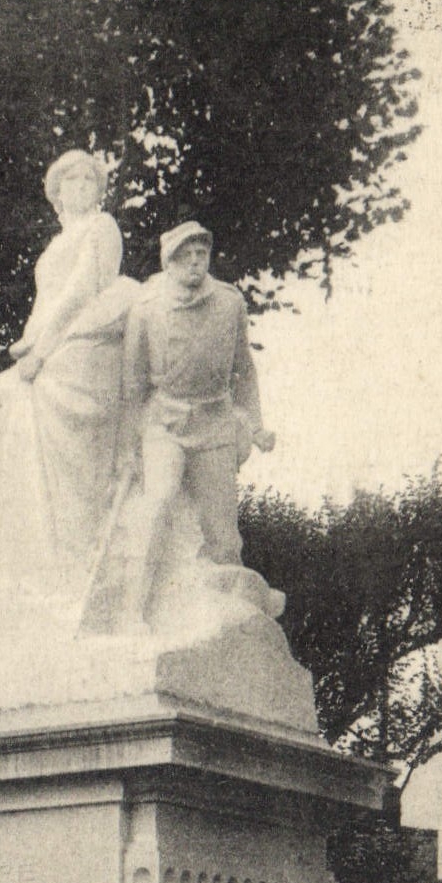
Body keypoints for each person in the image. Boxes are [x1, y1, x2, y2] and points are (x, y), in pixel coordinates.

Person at [0, 150, 137, 606]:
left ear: (98, 191)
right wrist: (28, 346)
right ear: (58, 194)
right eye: (70, 182)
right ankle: (24, 560)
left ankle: (70, 558)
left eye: (87, 182)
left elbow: (83, 291)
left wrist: (44, 348)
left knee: (51, 425)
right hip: (47, 346)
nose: (80, 189)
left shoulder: (101, 228)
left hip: (81, 346)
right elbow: (48, 299)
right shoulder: (58, 242)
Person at [121, 221, 275, 620]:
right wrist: (127, 448)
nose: (194, 263)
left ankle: (233, 619)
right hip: (164, 423)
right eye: (185, 256)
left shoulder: (229, 303)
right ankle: (134, 609)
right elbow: (133, 386)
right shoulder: (147, 308)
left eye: (201, 255)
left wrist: (255, 426)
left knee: (223, 533)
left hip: (214, 423)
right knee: (159, 504)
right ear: (169, 262)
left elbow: (244, 370)